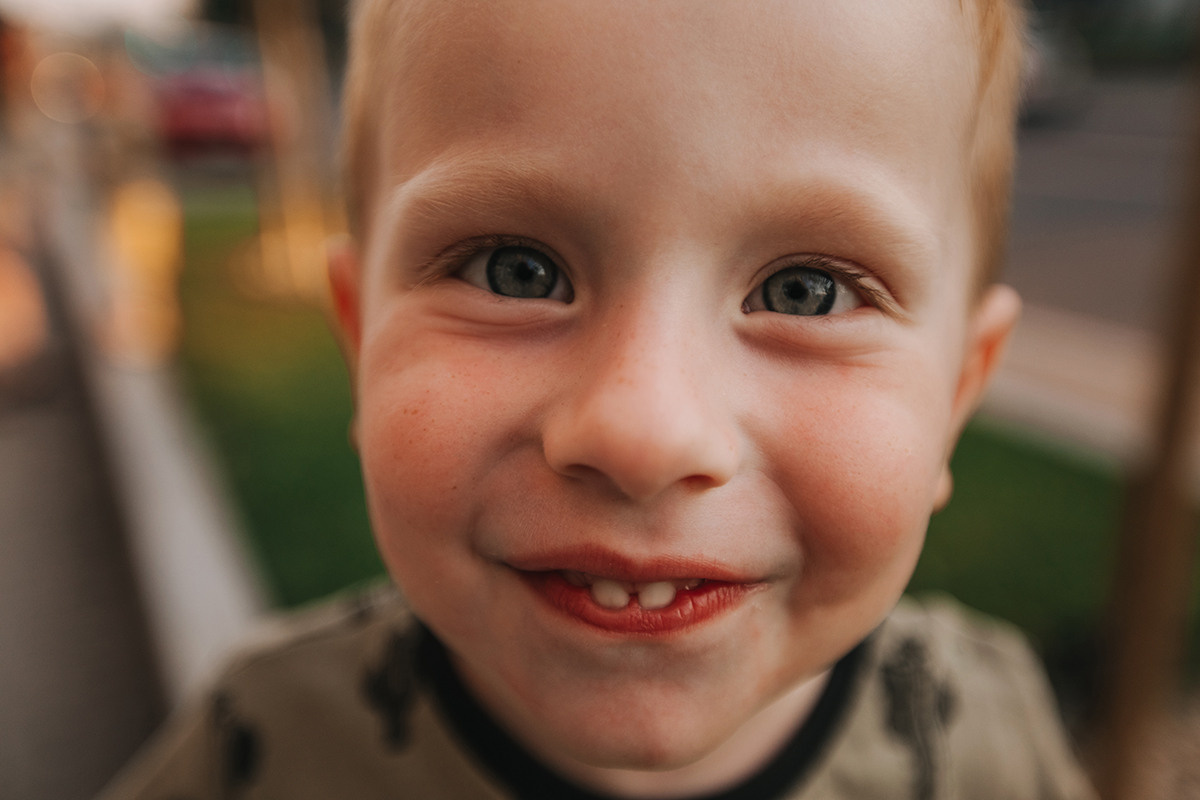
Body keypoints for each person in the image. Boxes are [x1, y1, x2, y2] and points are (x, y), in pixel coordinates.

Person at [101, 1, 1098, 797]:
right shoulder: (262, 745)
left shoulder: (989, 735)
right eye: (514, 270)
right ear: (363, 344)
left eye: (809, 291)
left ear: (957, 394)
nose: (642, 428)